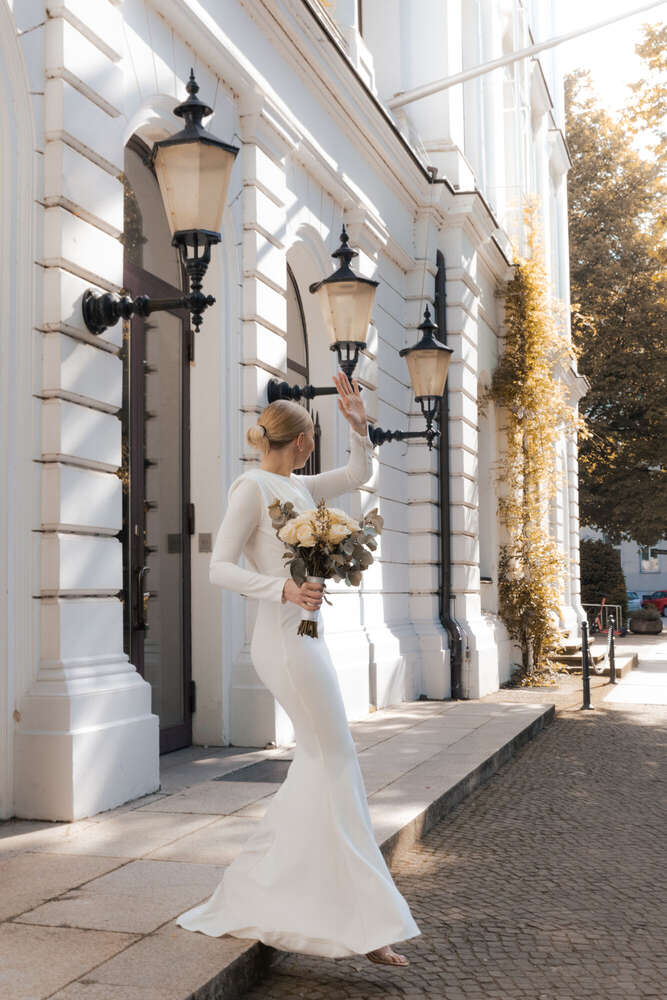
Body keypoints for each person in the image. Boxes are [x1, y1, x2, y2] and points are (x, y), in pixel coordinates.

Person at [175, 371, 421, 968]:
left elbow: (359, 475)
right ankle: (366, 922)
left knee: (325, 764)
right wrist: (282, 588)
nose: (316, 448)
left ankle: (295, 894)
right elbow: (218, 568)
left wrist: (360, 425)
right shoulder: (252, 489)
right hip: (283, 642)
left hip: (308, 640)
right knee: (334, 760)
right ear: (303, 441)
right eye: (316, 437)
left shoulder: (301, 485)